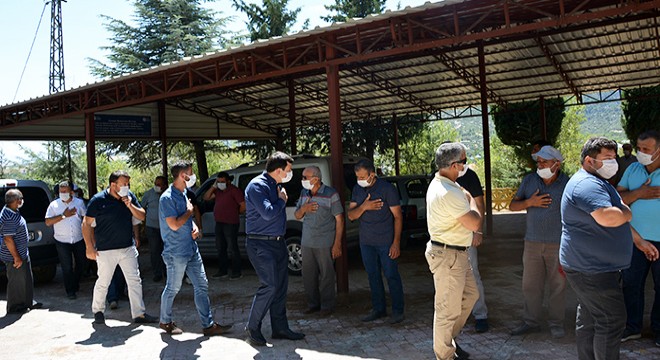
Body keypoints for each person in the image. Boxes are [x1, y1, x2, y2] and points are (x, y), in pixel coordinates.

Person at [560, 137, 633, 360]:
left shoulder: (595, 181)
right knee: (611, 320)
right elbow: (607, 217)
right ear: (590, 161)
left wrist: (636, 240)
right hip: (593, 270)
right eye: (607, 158)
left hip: (590, 266)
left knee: (591, 318)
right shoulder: (587, 185)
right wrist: (627, 212)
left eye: (614, 158)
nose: (613, 163)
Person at [158, 160, 232, 336]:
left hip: (191, 249)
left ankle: (208, 325)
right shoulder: (167, 198)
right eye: (191, 173)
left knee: (202, 285)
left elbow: (185, 220)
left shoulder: (183, 193)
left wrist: (194, 226)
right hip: (176, 252)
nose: (193, 176)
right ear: (183, 176)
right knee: (173, 288)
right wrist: (189, 214)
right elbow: (174, 225)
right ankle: (165, 321)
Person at [425, 142, 481, 360]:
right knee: (446, 310)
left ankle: (448, 341)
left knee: (470, 295)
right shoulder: (449, 191)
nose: (465, 166)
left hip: (455, 253)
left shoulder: (444, 183)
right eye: (464, 162)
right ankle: (445, 355)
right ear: (454, 165)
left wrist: (465, 198)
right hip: (448, 255)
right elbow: (474, 223)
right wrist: (473, 202)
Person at [243, 151, 305, 346]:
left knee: (280, 288)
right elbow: (268, 213)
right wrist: (282, 200)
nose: (290, 174)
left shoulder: (275, 185)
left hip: (277, 242)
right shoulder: (257, 186)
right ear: (278, 170)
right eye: (288, 170)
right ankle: (252, 328)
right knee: (269, 286)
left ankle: (280, 328)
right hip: (260, 244)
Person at [82, 170, 157, 325]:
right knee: (103, 282)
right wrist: (89, 247)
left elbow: (142, 216)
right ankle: (98, 312)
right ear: (113, 184)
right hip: (105, 250)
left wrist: (130, 205)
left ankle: (139, 314)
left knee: (135, 281)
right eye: (124, 184)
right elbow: (86, 223)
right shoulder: (98, 200)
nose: (127, 187)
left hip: (127, 248)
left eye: (128, 184)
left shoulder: (130, 197)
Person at [509, 145, 569, 339]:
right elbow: (512, 206)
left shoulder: (568, 184)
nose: (540, 165)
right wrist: (529, 203)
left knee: (558, 286)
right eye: (539, 162)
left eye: (544, 161)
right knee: (530, 285)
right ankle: (531, 321)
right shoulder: (529, 180)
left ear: (556, 164)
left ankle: (556, 323)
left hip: (558, 244)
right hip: (532, 243)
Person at [348, 159, 405, 324]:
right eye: (357, 177)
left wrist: (396, 243)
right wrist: (364, 206)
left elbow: (398, 217)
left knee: (391, 275)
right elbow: (351, 215)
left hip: (386, 241)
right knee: (373, 276)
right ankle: (379, 309)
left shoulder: (387, 189)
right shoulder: (357, 190)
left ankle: (397, 311)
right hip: (366, 242)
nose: (360, 180)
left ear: (372, 174)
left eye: (362, 176)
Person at [617, 130, 660, 344]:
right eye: (639, 149)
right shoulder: (633, 169)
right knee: (631, 283)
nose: (641, 153)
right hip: (634, 240)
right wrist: (639, 194)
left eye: (646, 150)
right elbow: (617, 200)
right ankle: (632, 327)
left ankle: (658, 329)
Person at [294, 166, 344, 316]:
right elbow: (297, 215)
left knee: (327, 275)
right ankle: (313, 304)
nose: (302, 180)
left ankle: (327, 306)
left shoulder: (331, 194)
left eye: (305, 177)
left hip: (325, 242)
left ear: (316, 179)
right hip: (307, 241)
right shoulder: (304, 193)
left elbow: (339, 220)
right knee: (308, 275)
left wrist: (337, 243)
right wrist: (304, 209)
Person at [456, 167, 489, 333]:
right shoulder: (438, 178)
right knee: (450, 279)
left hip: (467, 235)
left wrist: (478, 231)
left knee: (473, 275)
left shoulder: (469, 176)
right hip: (447, 239)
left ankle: (480, 315)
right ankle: (455, 317)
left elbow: (479, 204)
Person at [1, 189, 43, 313]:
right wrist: (16, 257)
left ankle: (27, 302)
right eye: (21, 198)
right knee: (16, 282)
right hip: (13, 256)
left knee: (26, 279)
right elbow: (8, 239)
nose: (22, 201)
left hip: (22, 253)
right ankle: (15, 306)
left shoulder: (14, 211)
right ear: (16, 201)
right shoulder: (7, 216)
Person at [45, 181, 87, 300]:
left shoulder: (79, 203)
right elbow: (48, 222)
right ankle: (70, 291)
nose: (62, 194)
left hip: (78, 239)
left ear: (71, 192)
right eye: (60, 192)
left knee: (81, 264)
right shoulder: (54, 205)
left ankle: (75, 283)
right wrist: (63, 215)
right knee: (66, 267)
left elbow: (85, 218)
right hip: (62, 241)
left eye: (65, 191)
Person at [203, 171, 245, 279]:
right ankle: (223, 270)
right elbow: (206, 197)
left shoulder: (234, 191)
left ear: (228, 181)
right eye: (218, 181)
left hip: (231, 223)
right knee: (220, 247)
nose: (220, 183)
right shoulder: (217, 191)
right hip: (219, 223)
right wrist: (213, 186)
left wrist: (236, 212)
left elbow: (243, 205)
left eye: (222, 181)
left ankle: (236, 271)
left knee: (232, 247)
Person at [142, 175, 167, 282]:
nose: (157, 186)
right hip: (152, 227)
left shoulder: (169, 194)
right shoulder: (148, 194)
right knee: (154, 251)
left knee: (167, 250)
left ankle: (167, 272)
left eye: (159, 185)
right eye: (156, 184)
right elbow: (141, 209)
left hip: (166, 227)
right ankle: (157, 273)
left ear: (164, 185)